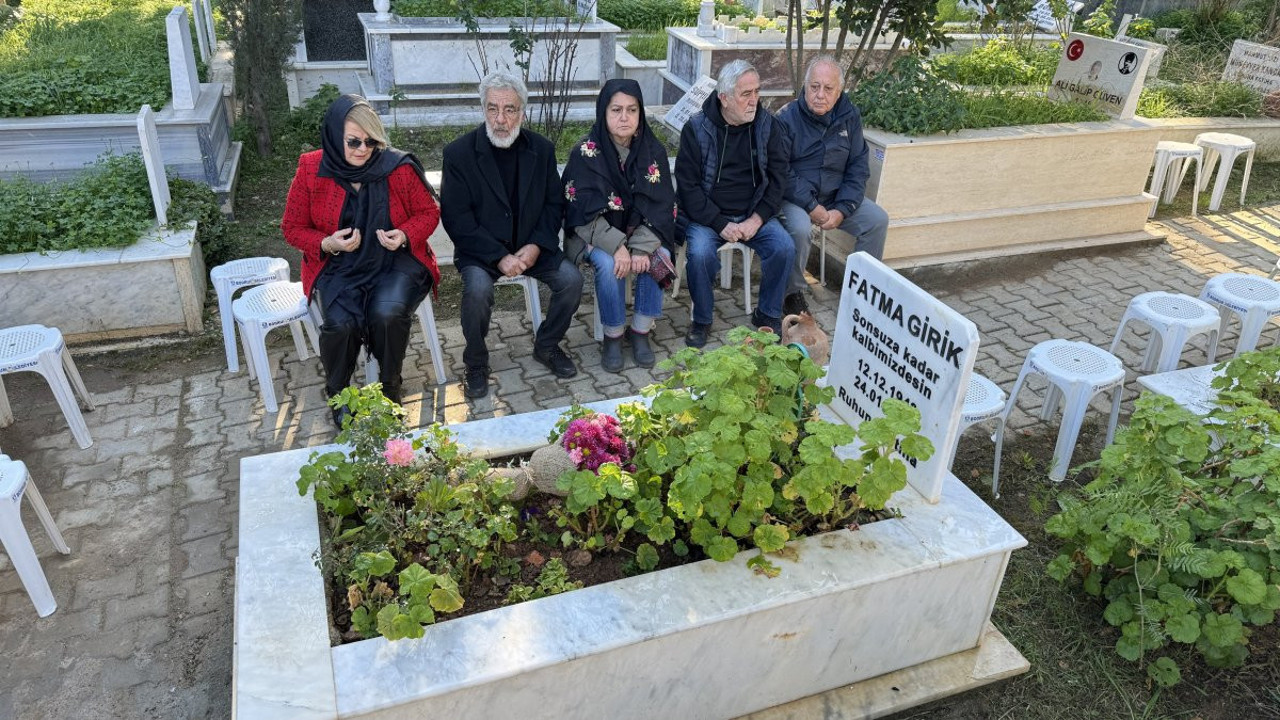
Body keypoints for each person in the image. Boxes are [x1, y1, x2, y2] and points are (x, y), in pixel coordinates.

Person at [281, 94, 441, 428]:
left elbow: (428, 212)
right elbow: (292, 228)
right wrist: (327, 243)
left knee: (387, 314)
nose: (363, 149)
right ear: (333, 136)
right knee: (341, 325)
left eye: (371, 142)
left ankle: (390, 386)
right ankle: (339, 394)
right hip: (337, 267)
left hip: (394, 264)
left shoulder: (396, 167)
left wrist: (405, 235)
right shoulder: (311, 168)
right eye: (354, 141)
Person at [442, 71, 583, 399]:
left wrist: (536, 246)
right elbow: (457, 219)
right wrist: (498, 256)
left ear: (522, 112)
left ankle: (546, 345)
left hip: (532, 246)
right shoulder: (459, 154)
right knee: (477, 292)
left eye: (509, 109)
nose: (501, 119)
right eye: (493, 109)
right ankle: (476, 362)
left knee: (572, 281)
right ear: (483, 109)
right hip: (482, 252)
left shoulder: (542, 149)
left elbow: (554, 204)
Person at [674, 59, 795, 347]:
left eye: (757, 92)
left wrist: (758, 218)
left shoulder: (767, 126)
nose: (754, 101)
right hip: (708, 217)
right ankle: (702, 319)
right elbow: (688, 187)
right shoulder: (697, 129)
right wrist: (719, 223)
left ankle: (767, 314)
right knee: (700, 254)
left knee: (783, 247)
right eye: (746, 94)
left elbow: (778, 179)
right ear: (724, 98)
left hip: (753, 213)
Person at [561, 79, 678, 372]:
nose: (624, 117)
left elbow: (662, 204)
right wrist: (617, 247)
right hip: (595, 233)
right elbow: (579, 210)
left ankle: (640, 331)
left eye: (632, 109)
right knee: (608, 262)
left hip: (641, 230)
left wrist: (639, 248)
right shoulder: (585, 152)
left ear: (640, 113)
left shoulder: (653, 151)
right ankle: (612, 335)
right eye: (616, 110)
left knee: (657, 255)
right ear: (604, 112)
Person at [776, 55, 889, 316]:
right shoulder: (786, 118)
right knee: (800, 228)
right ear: (805, 86)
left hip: (836, 197)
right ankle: (791, 294)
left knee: (877, 221)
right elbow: (781, 170)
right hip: (796, 198)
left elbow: (858, 165)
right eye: (814, 87)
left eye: (828, 89)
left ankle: (861, 294)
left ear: (839, 92)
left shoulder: (849, 116)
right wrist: (811, 206)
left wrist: (843, 208)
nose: (820, 95)